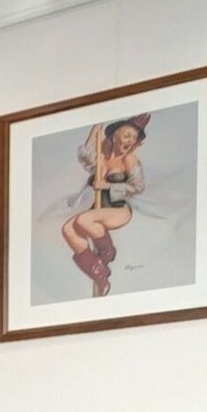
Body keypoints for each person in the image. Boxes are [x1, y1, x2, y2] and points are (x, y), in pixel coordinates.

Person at [60, 115, 150, 296]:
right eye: (126, 136)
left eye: (133, 138)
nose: (130, 141)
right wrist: (94, 130)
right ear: (115, 136)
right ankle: (100, 273)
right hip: (98, 210)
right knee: (68, 230)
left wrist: (107, 185)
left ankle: (107, 252)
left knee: (84, 221)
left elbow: (137, 187)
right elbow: (85, 156)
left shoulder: (129, 160)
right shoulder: (102, 156)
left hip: (118, 210)